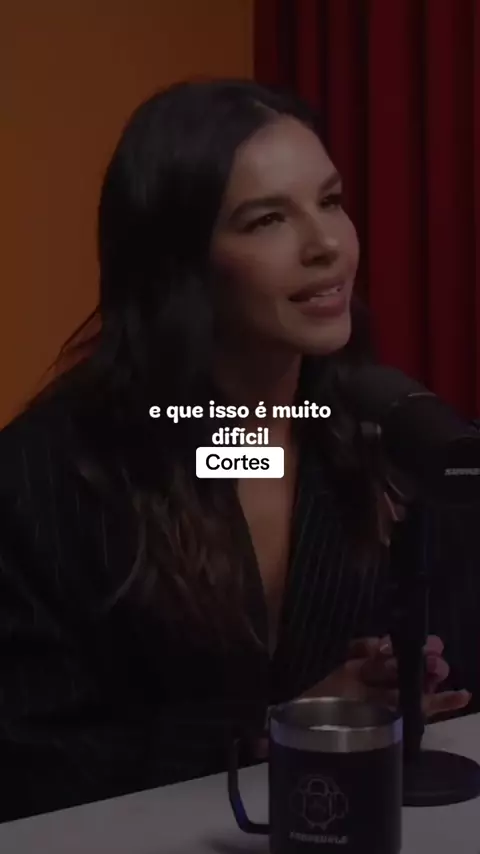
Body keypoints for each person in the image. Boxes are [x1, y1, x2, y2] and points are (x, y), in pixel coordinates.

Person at [0, 78, 475, 823]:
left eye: (330, 200)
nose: (327, 245)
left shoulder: (381, 437)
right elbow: (34, 762)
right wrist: (281, 728)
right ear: (179, 261)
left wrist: (399, 687)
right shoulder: (46, 473)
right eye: (267, 220)